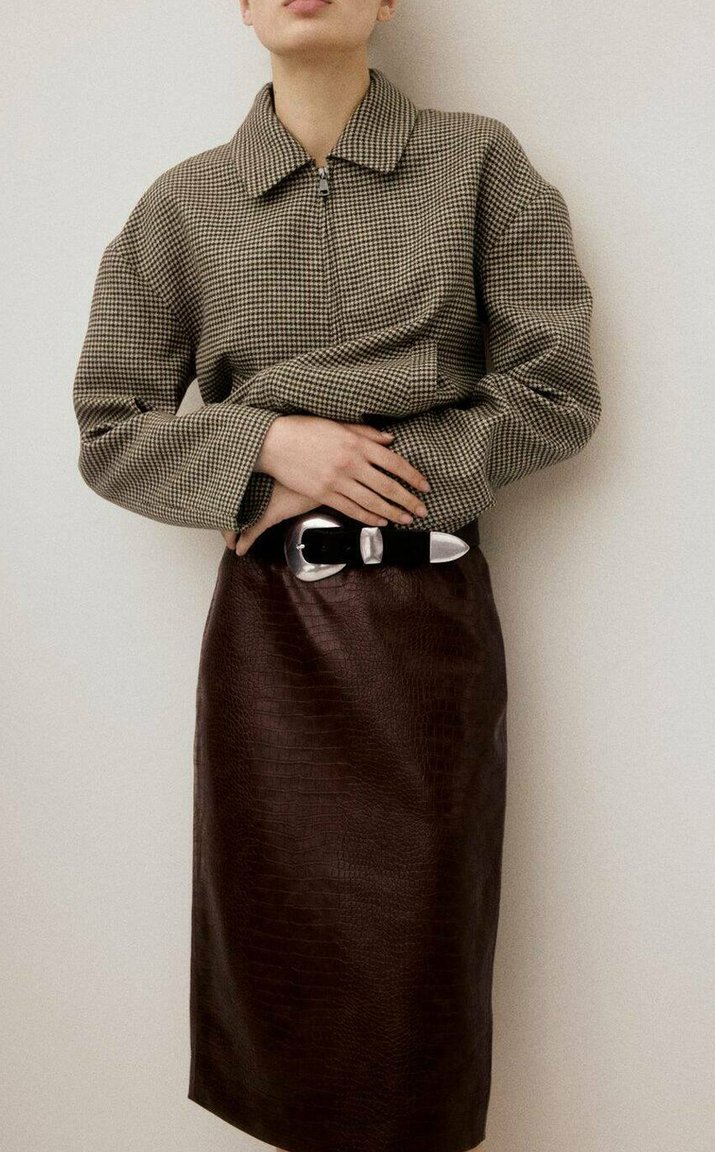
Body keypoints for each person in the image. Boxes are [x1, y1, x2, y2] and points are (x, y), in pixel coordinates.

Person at [72, 1, 602, 1149]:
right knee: (278, 971)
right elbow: (110, 429)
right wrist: (264, 449)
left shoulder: (479, 164)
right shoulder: (184, 203)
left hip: (425, 631)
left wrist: (369, 473)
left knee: (418, 995)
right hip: (269, 637)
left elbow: (552, 392)